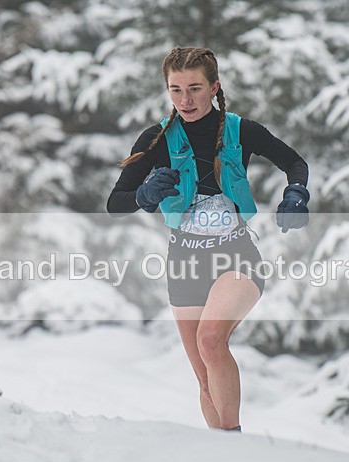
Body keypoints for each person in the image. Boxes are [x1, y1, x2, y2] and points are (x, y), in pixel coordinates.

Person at [107, 47, 310, 432]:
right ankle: (221, 455)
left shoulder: (241, 130)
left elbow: (295, 163)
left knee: (211, 340)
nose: (186, 100)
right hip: (184, 262)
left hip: (236, 255)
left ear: (214, 87)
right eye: (176, 89)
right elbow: (115, 204)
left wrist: (296, 194)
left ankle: (234, 443)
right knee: (203, 376)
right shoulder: (157, 139)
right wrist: (143, 195)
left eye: (195, 88)